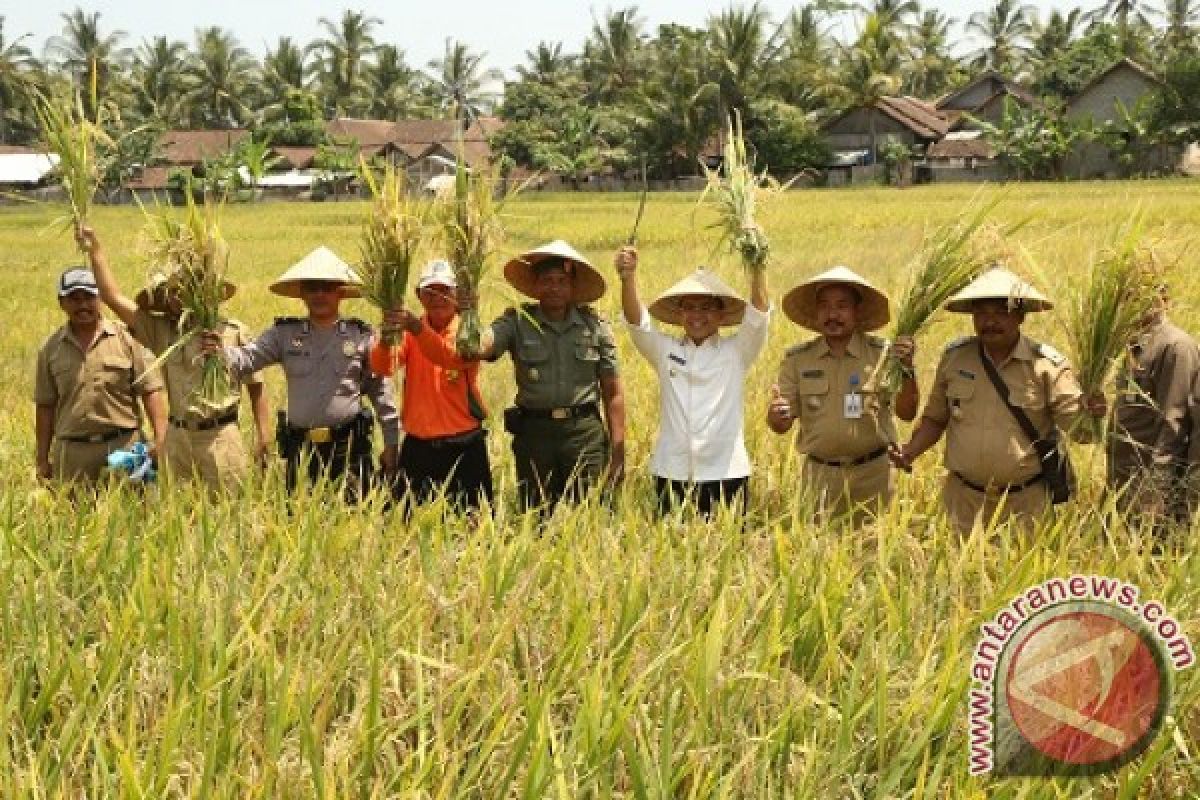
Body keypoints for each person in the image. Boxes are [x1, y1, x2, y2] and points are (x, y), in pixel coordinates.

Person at [890, 267, 1095, 533]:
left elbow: (1081, 432)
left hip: (1025, 504)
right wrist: (910, 451)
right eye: (982, 313)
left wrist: (1093, 412)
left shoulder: (1046, 366)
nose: (990, 321)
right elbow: (936, 418)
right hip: (963, 501)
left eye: (1001, 312)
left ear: (1020, 316)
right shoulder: (955, 358)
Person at [75, 226, 270, 489]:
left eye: (187, 291)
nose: (178, 299)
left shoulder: (232, 333)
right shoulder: (162, 333)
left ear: (206, 293)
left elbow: (256, 387)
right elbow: (112, 297)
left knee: (228, 513)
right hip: (178, 437)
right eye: (174, 294)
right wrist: (95, 250)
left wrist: (264, 436)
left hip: (221, 436)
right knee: (177, 514)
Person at [201, 247, 399, 499]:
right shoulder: (284, 335)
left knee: (354, 522)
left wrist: (392, 444)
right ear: (302, 294)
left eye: (326, 287)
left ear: (340, 292)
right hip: (302, 453)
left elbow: (383, 396)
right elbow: (247, 359)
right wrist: (219, 353)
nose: (319, 294)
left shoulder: (361, 336)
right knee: (301, 523)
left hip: (348, 451)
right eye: (312, 287)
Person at [450, 240, 625, 512]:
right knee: (537, 515)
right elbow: (477, 349)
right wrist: (468, 313)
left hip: (584, 435)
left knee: (590, 517)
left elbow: (613, 393)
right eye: (547, 280)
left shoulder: (595, 328)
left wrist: (618, 452)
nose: (554, 287)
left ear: (572, 287)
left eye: (561, 280)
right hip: (535, 435)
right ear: (535, 285)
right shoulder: (517, 322)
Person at [615, 245, 769, 516]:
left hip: (726, 470)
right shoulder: (666, 351)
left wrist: (756, 264)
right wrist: (628, 278)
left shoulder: (737, 351)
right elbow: (638, 323)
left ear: (721, 316)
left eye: (707, 308)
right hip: (672, 470)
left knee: (729, 550)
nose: (697, 315)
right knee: (672, 549)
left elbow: (758, 316)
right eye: (690, 308)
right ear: (680, 314)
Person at [767, 267, 917, 523]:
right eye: (824, 306)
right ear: (815, 313)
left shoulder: (883, 354)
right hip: (820, 478)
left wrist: (907, 369)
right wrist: (776, 415)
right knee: (819, 556)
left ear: (857, 312)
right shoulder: (797, 360)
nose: (832, 314)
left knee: (874, 555)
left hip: (874, 477)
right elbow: (780, 425)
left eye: (842, 306)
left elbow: (907, 413)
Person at [34, 267, 168, 484]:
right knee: (74, 517)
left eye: (89, 297)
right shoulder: (50, 349)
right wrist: (41, 458)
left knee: (133, 514)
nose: (83, 305)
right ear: (61, 303)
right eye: (74, 299)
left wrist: (161, 439)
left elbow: (151, 390)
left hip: (125, 449)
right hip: (72, 456)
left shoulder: (128, 339)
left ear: (101, 299)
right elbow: (45, 406)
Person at [382, 259, 494, 513]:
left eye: (445, 290)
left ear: (458, 294)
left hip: (464, 446)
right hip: (418, 448)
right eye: (429, 291)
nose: (437, 298)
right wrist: (387, 337)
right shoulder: (408, 335)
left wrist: (417, 328)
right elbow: (384, 367)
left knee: (472, 526)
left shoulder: (468, 332)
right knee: (408, 528)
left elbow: (454, 358)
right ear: (418, 296)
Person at [1106, 281, 1200, 532]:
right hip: (1125, 481)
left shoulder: (1175, 347)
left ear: (1165, 300)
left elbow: (1174, 421)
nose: (1135, 302)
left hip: (1150, 487)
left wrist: (1155, 490)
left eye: (1145, 295)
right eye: (1129, 295)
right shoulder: (1135, 346)